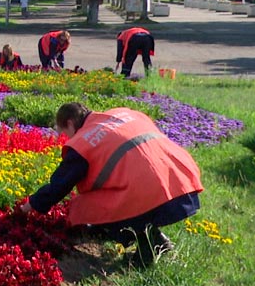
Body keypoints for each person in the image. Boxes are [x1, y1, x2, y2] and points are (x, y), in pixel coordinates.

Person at [21, 102, 203, 267]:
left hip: (151, 193)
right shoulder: (123, 113)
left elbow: (60, 186)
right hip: (181, 182)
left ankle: (146, 251)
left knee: (84, 203)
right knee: (127, 188)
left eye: (64, 132)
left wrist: (31, 205)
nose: (66, 139)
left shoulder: (83, 142)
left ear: (69, 123)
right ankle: (153, 237)